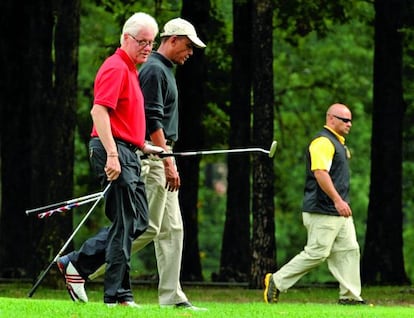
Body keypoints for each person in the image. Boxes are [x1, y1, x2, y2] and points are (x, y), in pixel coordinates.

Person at [88, 17, 207, 311]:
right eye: (188, 46)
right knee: (144, 225)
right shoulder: (152, 70)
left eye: (149, 42)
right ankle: (83, 265)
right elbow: (151, 119)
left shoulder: (156, 68)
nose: (190, 52)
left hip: (154, 151)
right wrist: (166, 160)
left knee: (172, 229)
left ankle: (172, 296)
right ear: (174, 39)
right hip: (154, 159)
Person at [56, 12, 164, 307]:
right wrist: (114, 154)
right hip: (112, 151)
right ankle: (117, 296)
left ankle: (77, 263)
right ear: (126, 39)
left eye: (151, 42)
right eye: (142, 41)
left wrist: (142, 144)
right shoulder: (115, 67)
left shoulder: (130, 70)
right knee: (126, 222)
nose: (147, 47)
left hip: (127, 150)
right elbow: (98, 112)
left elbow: (120, 117)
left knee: (138, 221)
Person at [264, 103, 366, 305]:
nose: (349, 124)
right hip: (323, 210)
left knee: (349, 250)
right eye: (345, 120)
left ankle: (350, 297)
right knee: (317, 253)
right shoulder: (322, 142)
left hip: (339, 212)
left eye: (350, 120)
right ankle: (277, 280)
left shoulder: (338, 143)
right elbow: (320, 173)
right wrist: (337, 200)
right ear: (331, 118)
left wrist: (340, 204)